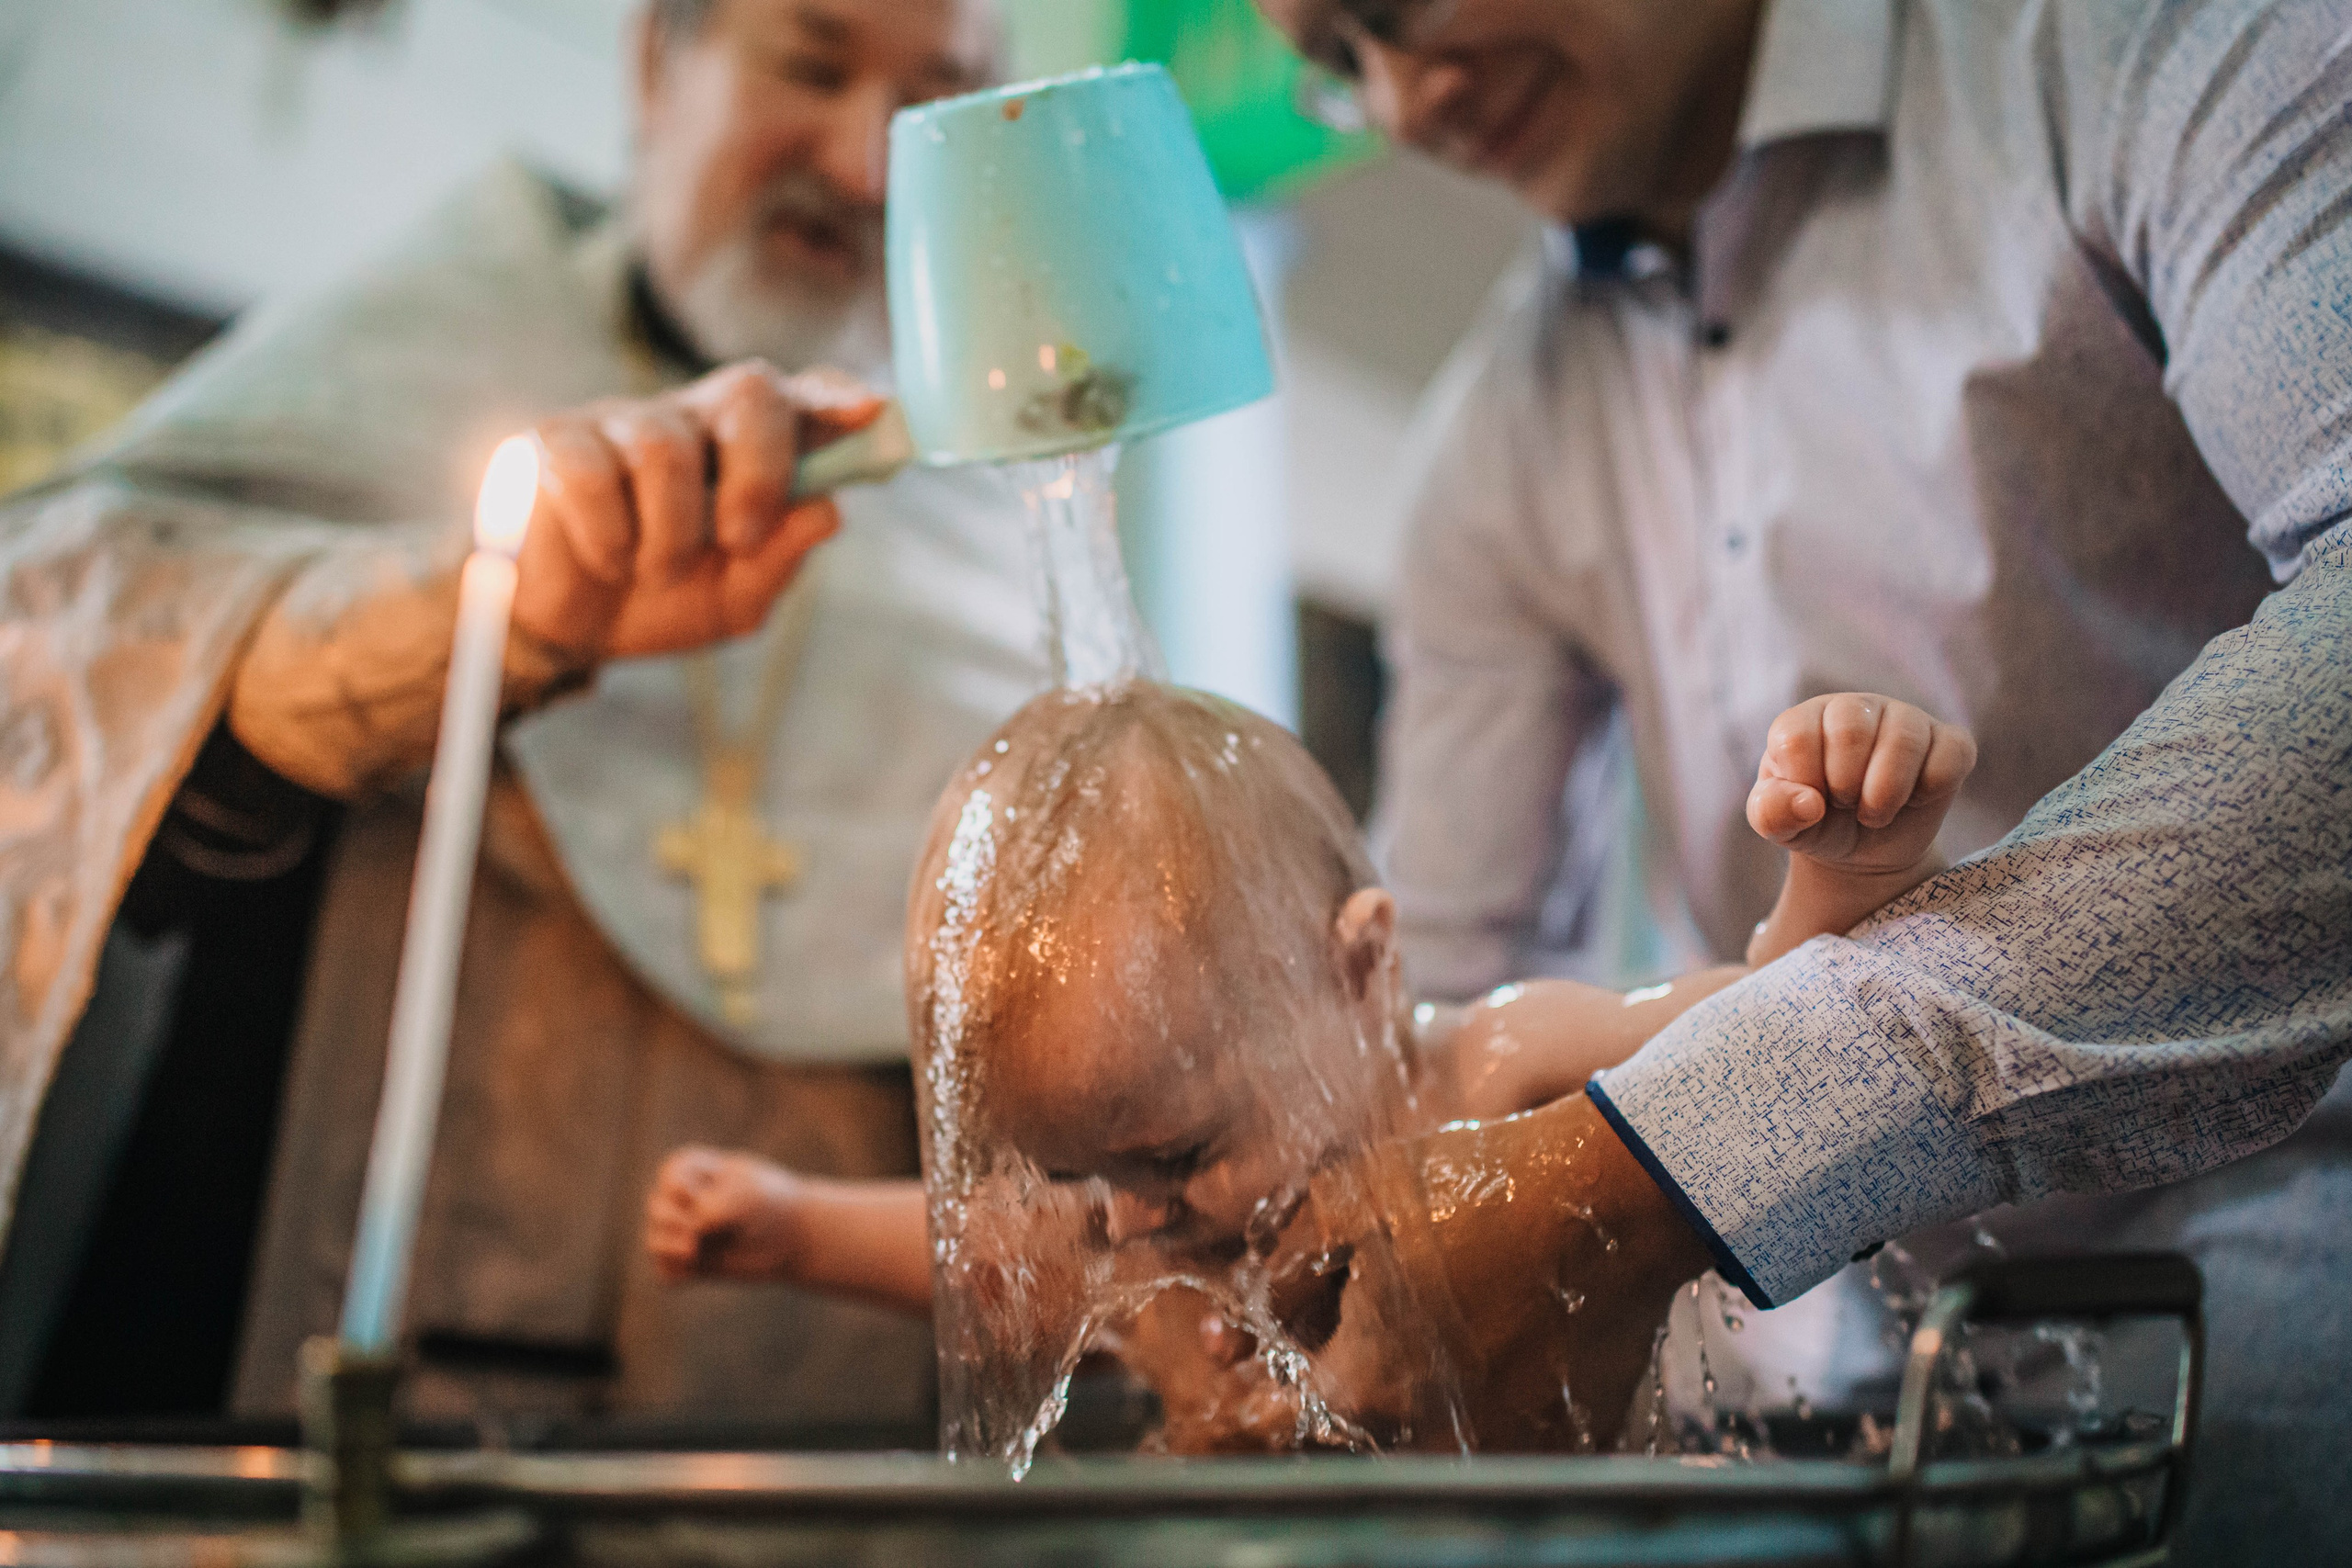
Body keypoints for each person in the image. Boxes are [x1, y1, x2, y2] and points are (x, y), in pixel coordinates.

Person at [1250, 0, 2351, 1550]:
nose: (1402, 96)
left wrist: (1714, 1146)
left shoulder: (2146, 50)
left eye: (1395, 9)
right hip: (1885, 1395)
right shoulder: (1499, 446)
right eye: (1334, 62)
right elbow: (1431, 1008)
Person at [0, 0, 1039, 1431]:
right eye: (810, 63)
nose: (869, 164)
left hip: (801, 1432)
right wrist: (476, 619)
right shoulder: (421, 345)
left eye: (940, 103)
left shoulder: (988, 502)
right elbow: (70, 649)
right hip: (324, 1341)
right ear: (653, 62)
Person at [644, 682, 1976, 1451]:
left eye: (1171, 1153)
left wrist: (1842, 870)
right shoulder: (1149, 1230)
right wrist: (792, 1226)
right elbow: (988, 1249)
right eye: (1079, 1174)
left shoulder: (1494, 1077)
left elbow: (1772, 1033)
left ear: (1360, 970)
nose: (1127, 1215)